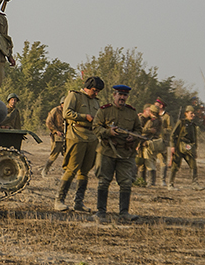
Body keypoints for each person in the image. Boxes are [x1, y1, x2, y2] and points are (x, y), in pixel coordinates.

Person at [92, 84, 143, 222]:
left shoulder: (132, 113)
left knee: (126, 182)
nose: (122, 97)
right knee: (103, 181)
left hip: (126, 153)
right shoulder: (104, 111)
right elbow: (96, 128)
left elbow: (139, 130)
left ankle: (124, 213)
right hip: (107, 151)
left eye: (125, 95)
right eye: (120, 94)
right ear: (114, 95)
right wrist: (108, 132)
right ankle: (101, 212)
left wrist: (134, 136)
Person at [54, 76, 104, 212]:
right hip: (76, 136)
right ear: (87, 87)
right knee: (71, 169)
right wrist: (84, 117)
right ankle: (59, 201)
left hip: (92, 138)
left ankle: (78, 202)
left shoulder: (96, 102)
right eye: (94, 90)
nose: (96, 93)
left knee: (85, 171)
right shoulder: (74, 96)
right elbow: (66, 113)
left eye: (98, 91)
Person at [167, 105, 205, 191]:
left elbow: (194, 138)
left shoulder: (193, 125)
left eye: (193, 113)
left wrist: (195, 150)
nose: (193, 115)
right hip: (179, 146)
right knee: (175, 166)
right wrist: (172, 146)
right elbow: (173, 134)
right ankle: (170, 184)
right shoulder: (181, 122)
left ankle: (195, 184)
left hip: (189, 148)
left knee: (193, 166)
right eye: (191, 113)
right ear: (186, 113)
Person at [138, 104, 165, 187]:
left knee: (148, 162)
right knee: (147, 162)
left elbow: (142, 131)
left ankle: (150, 182)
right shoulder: (159, 120)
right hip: (153, 144)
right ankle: (144, 182)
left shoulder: (152, 121)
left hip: (148, 144)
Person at [42, 97, 66, 177]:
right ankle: (45, 170)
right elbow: (48, 122)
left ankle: (65, 173)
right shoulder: (55, 110)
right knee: (53, 155)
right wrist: (56, 131)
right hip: (57, 137)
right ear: (61, 103)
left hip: (66, 136)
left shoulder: (68, 112)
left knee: (67, 155)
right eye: (64, 103)